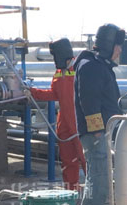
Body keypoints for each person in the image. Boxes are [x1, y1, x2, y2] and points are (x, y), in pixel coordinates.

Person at [74, 23, 124, 205]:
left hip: (102, 132)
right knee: (98, 179)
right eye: (118, 46)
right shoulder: (92, 67)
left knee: (100, 179)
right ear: (109, 45)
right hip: (96, 134)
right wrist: (96, 131)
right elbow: (89, 101)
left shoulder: (99, 66)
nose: (120, 50)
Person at [29, 38, 86, 189]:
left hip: (79, 123)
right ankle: (71, 190)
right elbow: (54, 94)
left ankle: (97, 194)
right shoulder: (59, 72)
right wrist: (32, 92)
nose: (54, 60)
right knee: (68, 160)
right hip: (65, 124)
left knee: (86, 159)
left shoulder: (80, 69)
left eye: (55, 56)